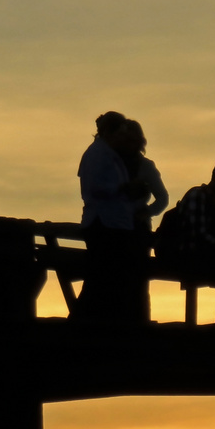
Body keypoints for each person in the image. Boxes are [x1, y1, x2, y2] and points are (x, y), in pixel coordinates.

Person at [75, 110, 149, 323]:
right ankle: (90, 322)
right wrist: (124, 188)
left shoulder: (106, 153)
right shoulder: (98, 154)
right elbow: (94, 187)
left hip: (111, 223)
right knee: (102, 278)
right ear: (109, 132)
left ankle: (98, 321)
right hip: (104, 224)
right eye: (120, 133)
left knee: (106, 278)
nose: (122, 138)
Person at [158, 155, 215, 320]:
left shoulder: (212, 201)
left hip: (196, 257)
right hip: (186, 258)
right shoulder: (199, 196)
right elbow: (199, 235)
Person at [121, 119, 168, 232]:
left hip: (137, 227)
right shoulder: (111, 163)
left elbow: (163, 198)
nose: (129, 145)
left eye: (133, 141)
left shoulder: (146, 166)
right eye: (127, 141)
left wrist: (146, 212)